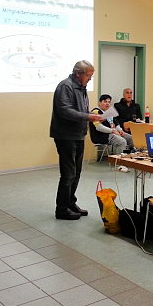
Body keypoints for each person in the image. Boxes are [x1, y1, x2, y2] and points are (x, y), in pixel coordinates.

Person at [50, 60, 104, 220]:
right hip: (65, 136)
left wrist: (91, 116)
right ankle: (61, 209)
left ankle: (70, 203)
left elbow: (81, 110)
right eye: (88, 75)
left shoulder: (81, 87)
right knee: (68, 174)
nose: (90, 79)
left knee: (77, 172)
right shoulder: (65, 86)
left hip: (78, 135)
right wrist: (88, 116)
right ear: (78, 73)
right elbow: (65, 111)